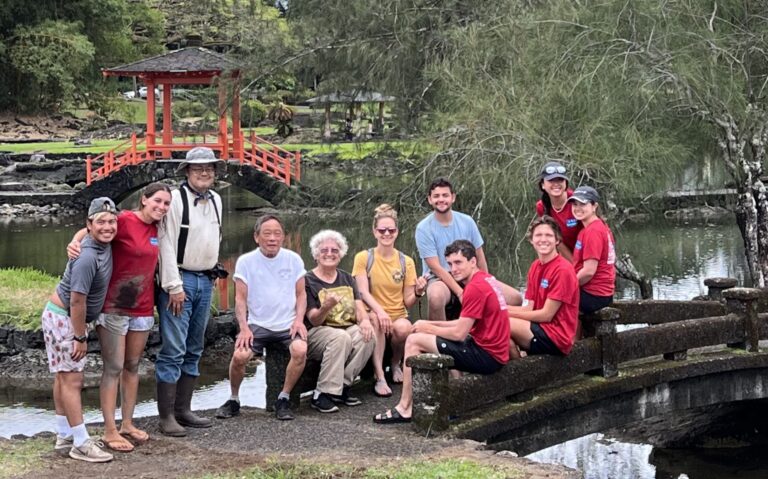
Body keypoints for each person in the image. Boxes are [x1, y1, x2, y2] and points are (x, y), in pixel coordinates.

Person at [66, 184, 172, 452]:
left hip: (143, 307)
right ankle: (109, 430)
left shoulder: (158, 228)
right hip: (113, 307)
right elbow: (95, 227)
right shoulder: (123, 219)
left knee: (133, 365)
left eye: (166, 203)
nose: (161, 207)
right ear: (144, 200)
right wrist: (76, 241)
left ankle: (127, 423)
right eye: (157, 201)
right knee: (112, 367)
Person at [374, 240, 510, 424]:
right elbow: (462, 324)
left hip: (487, 356)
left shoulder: (475, 288)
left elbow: (459, 334)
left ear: (473, 261)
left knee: (414, 341)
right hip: (491, 351)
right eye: (450, 264)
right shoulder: (486, 279)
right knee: (429, 336)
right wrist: (427, 323)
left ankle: (405, 407)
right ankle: (455, 402)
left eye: (459, 262)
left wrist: (427, 328)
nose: (453, 269)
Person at [156, 147, 224, 436]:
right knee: (173, 348)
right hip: (180, 280)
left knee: (195, 347)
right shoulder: (175, 200)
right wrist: (173, 285)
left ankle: (184, 409)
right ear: (187, 172)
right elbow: (165, 243)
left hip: (205, 280)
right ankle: (167, 416)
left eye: (209, 168)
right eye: (198, 169)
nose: (204, 172)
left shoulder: (217, 200)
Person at [44, 197, 118, 462]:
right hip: (65, 318)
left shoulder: (97, 240)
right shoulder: (87, 256)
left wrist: (76, 237)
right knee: (73, 380)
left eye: (112, 221)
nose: (108, 227)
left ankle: (64, 435)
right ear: (90, 224)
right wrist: (80, 336)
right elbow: (77, 300)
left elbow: (86, 232)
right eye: (101, 222)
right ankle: (81, 442)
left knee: (63, 377)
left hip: (60, 316)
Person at [215, 215, 308, 421]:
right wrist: (244, 327)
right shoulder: (246, 261)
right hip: (257, 324)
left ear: (283, 237)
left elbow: (301, 294)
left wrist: (299, 319)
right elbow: (240, 298)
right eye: (267, 234)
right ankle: (234, 398)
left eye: (277, 234)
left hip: (287, 324)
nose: (272, 238)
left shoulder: (293, 259)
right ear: (257, 237)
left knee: (300, 350)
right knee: (240, 356)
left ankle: (283, 397)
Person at [415, 177, 521, 321]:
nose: (441, 199)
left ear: (453, 197)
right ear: (430, 199)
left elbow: (479, 255)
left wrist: (485, 283)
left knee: (515, 298)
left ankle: (494, 331)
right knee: (435, 297)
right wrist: (460, 293)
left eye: (445, 195)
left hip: (468, 274)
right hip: (440, 277)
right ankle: (438, 339)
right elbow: (435, 267)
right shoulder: (423, 228)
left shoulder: (467, 221)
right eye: (436, 196)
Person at [351, 204, 427, 397]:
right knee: (376, 321)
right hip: (373, 314)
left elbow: (407, 301)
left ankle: (395, 362)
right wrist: (379, 311)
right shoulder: (363, 257)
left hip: (396, 314)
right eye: (382, 230)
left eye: (391, 230)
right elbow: (362, 292)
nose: (386, 234)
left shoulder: (405, 261)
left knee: (404, 328)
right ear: (374, 232)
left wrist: (418, 292)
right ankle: (379, 377)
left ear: (397, 232)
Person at [305, 230, 375, 413]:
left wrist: (365, 321)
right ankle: (321, 394)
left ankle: (342, 386)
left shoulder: (346, 278)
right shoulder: (308, 280)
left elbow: (359, 307)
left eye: (335, 250)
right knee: (340, 337)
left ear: (341, 254)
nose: (329, 254)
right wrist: (325, 307)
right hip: (316, 333)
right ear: (316, 255)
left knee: (367, 335)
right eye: (324, 250)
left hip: (345, 328)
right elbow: (313, 319)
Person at [508, 216, 580, 358]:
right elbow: (529, 308)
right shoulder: (535, 266)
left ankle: (519, 372)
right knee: (496, 326)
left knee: (502, 322)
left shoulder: (563, 270)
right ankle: (519, 370)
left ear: (557, 240)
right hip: (539, 327)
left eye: (548, 235)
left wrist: (505, 314)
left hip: (556, 336)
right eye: (538, 235)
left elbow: (546, 315)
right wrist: (498, 309)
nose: (543, 239)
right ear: (531, 240)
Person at [568, 186, 616, 314]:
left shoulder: (593, 231)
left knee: (551, 301)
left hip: (594, 295)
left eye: (583, 204)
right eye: (574, 204)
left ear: (594, 206)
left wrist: (566, 287)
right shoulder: (594, 227)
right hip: (600, 293)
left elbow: (589, 271)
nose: (577, 208)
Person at [535, 161, 582, 261]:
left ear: (566, 183)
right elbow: (557, 241)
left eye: (560, 180)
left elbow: (593, 234)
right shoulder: (541, 207)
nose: (556, 184)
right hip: (568, 259)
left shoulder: (577, 202)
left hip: (588, 258)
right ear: (543, 185)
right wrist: (573, 265)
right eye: (551, 180)